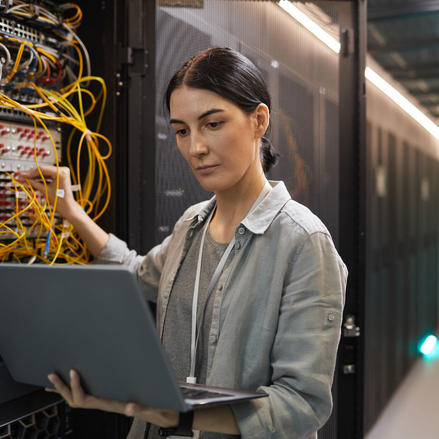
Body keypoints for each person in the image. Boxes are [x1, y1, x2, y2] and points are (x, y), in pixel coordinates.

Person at [15, 47, 347, 439]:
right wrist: (72, 213)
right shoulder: (193, 224)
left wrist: (180, 415)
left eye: (212, 124)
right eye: (182, 131)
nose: (195, 148)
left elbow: (301, 405)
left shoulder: (303, 242)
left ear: (259, 120)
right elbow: (136, 274)